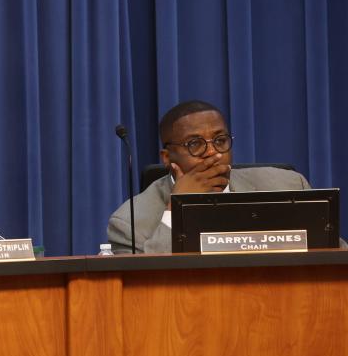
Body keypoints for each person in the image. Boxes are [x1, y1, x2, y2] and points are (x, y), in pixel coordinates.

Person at [107, 100, 313, 253]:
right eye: (195, 144)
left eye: (220, 140)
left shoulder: (289, 186)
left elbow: (336, 258)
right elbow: (143, 288)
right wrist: (176, 210)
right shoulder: (130, 223)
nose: (213, 153)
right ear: (167, 158)